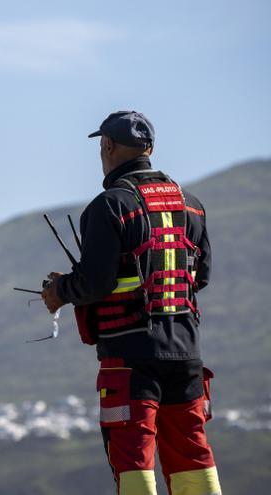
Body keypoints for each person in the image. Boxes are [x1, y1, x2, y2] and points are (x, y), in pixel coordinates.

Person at [42, 111, 222, 495]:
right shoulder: (191, 205)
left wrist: (60, 291)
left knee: (133, 458)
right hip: (186, 353)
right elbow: (199, 277)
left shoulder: (110, 205)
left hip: (129, 357)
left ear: (106, 146)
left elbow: (95, 283)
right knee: (193, 454)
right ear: (150, 150)